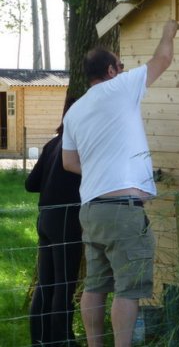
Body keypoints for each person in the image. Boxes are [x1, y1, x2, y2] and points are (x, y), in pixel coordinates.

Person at [62, 19, 178, 347]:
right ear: (113, 71)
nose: (126, 70)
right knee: (128, 290)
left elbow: (69, 163)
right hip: (122, 212)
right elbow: (163, 60)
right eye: (122, 65)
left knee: (96, 285)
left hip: (92, 210)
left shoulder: (75, 110)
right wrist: (168, 32)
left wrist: (103, 169)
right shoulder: (122, 87)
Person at [26, 97, 82, 346]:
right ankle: (62, 340)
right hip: (67, 219)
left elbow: (30, 184)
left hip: (45, 218)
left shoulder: (52, 144)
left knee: (45, 282)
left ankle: (40, 338)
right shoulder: (80, 145)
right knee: (64, 283)